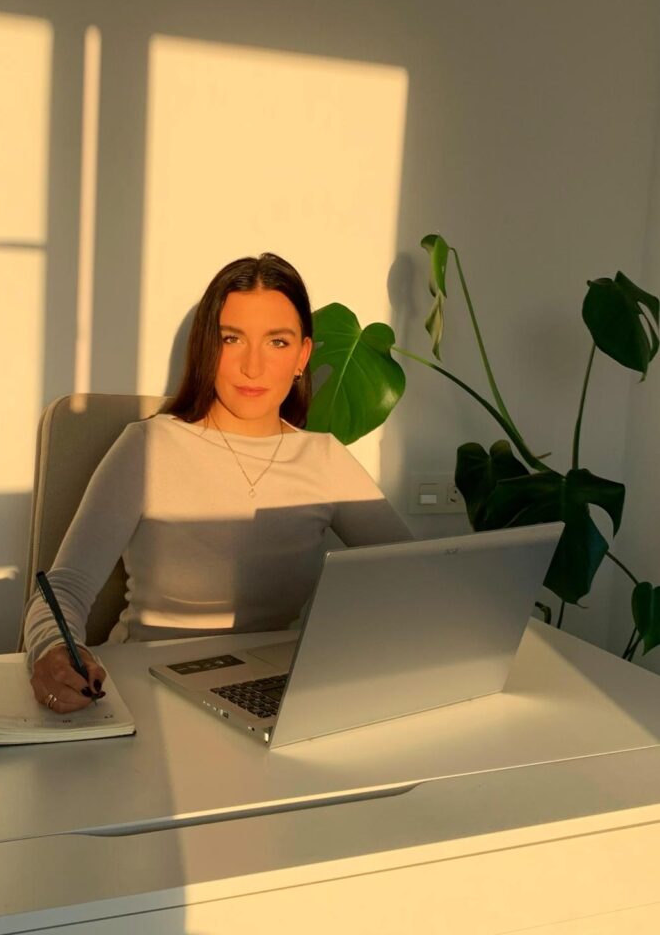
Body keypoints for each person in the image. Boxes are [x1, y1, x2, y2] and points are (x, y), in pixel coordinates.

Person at [24, 253, 411, 712]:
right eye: (232, 339)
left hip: (269, 697)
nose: (253, 367)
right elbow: (65, 588)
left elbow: (416, 574)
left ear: (303, 356)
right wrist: (53, 649)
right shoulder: (148, 446)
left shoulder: (324, 459)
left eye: (277, 342)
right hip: (145, 690)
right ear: (207, 347)